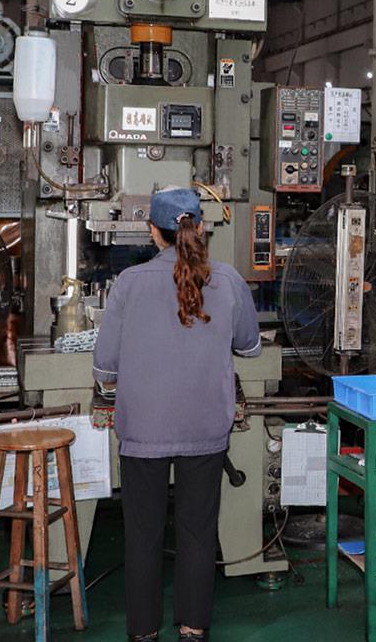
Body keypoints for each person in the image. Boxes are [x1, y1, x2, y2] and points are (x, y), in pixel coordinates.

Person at [92, 187, 262, 642]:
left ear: (153, 231)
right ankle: (192, 629)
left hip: (143, 430)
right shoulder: (228, 280)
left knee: (142, 536)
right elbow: (249, 346)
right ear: (201, 227)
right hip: (205, 427)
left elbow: (105, 366)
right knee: (197, 533)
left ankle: (143, 633)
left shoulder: (129, 283)